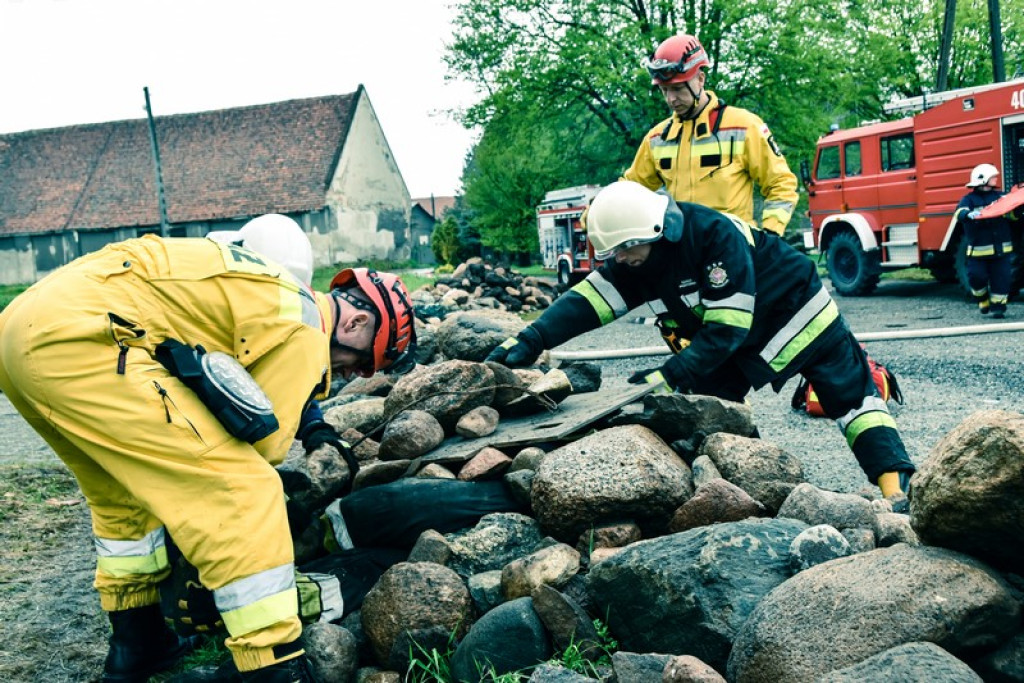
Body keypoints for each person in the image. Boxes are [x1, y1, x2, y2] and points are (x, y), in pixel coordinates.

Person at [0, 234, 415, 682]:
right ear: (354, 323)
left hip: (24, 333)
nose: (357, 374)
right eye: (367, 363)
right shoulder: (305, 327)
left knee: (122, 497)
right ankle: (274, 666)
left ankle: (138, 646)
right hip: (89, 337)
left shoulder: (273, 290)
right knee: (245, 491)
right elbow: (263, 448)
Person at [487, 181, 915, 504]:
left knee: (851, 397)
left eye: (622, 251)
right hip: (732, 332)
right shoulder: (636, 254)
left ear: (649, 234)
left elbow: (728, 329)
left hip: (797, 311)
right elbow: (588, 301)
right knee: (713, 406)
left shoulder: (712, 235)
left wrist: (668, 374)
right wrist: (532, 337)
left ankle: (895, 493)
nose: (618, 261)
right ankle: (758, 492)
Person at [622, 34, 798, 237]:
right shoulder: (657, 138)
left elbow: (781, 183)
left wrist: (770, 235)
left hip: (733, 250)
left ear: (700, 79)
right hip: (683, 254)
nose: (671, 99)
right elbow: (630, 189)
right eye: (664, 90)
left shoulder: (743, 127)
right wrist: (599, 208)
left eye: (678, 89)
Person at [954, 163, 1018, 318]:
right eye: (993, 177)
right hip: (978, 251)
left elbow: (1011, 214)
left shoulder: (1000, 197)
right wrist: (967, 215)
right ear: (982, 179)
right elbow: (959, 212)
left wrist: (1016, 211)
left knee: (1002, 279)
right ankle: (982, 299)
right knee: (976, 277)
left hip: (1001, 250)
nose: (995, 179)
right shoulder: (969, 200)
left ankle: (998, 307)